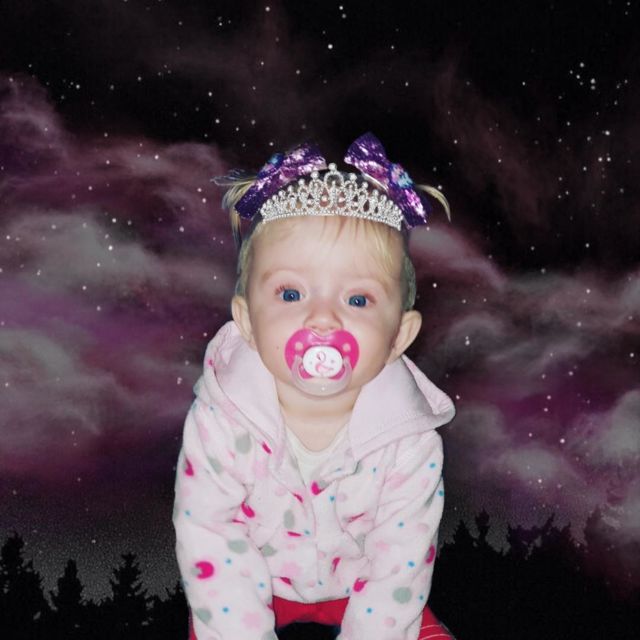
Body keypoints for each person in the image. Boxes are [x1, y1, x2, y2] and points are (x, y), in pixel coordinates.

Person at [174, 133, 457, 640]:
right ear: (247, 322)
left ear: (399, 336)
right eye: (290, 294)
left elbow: (400, 562)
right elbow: (209, 531)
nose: (322, 319)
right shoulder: (220, 417)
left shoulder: (411, 441)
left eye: (358, 300)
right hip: (251, 581)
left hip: (362, 588)